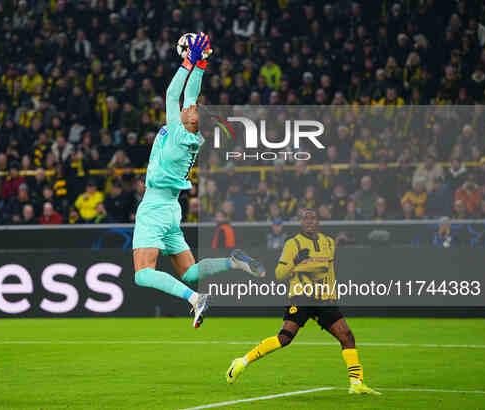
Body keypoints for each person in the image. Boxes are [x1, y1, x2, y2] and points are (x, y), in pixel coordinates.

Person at [132, 33, 265, 328]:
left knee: (142, 274)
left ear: (191, 121)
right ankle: (233, 262)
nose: (188, 106)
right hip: (171, 210)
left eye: (191, 110)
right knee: (190, 272)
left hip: (155, 207)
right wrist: (201, 64)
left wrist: (187, 62)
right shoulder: (192, 133)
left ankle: (195, 299)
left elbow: (171, 94)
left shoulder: (179, 133)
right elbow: (189, 95)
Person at [226, 209, 380, 395]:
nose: (309, 222)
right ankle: (242, 362)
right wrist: (297, 260)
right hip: (301, 298)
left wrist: (331, 293)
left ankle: (356, 383)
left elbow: (329, 270)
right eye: (305, 219)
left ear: (318, 222)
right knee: (284, 338)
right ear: (301, 223)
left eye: (313, 218)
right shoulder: (293, 244)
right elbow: (280, 274)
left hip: (323, 300)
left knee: (347, 336)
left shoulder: (329, 242)